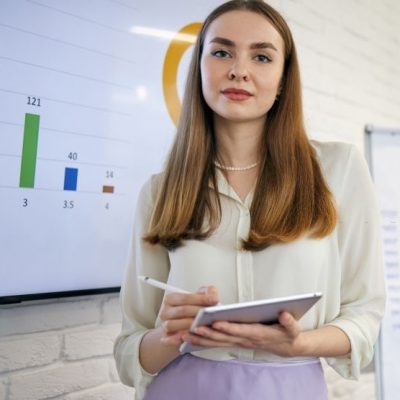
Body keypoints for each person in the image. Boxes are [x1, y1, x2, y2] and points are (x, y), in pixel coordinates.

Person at [114, 1, 386, 399]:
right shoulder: (159, 192)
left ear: (282, 79)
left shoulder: (338, 169)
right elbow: (129, 350)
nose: (239, 69)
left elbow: (365, 314)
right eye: (222, 52)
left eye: (261, 56)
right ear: (200, 68)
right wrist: (172, 335)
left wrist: (302, 343)